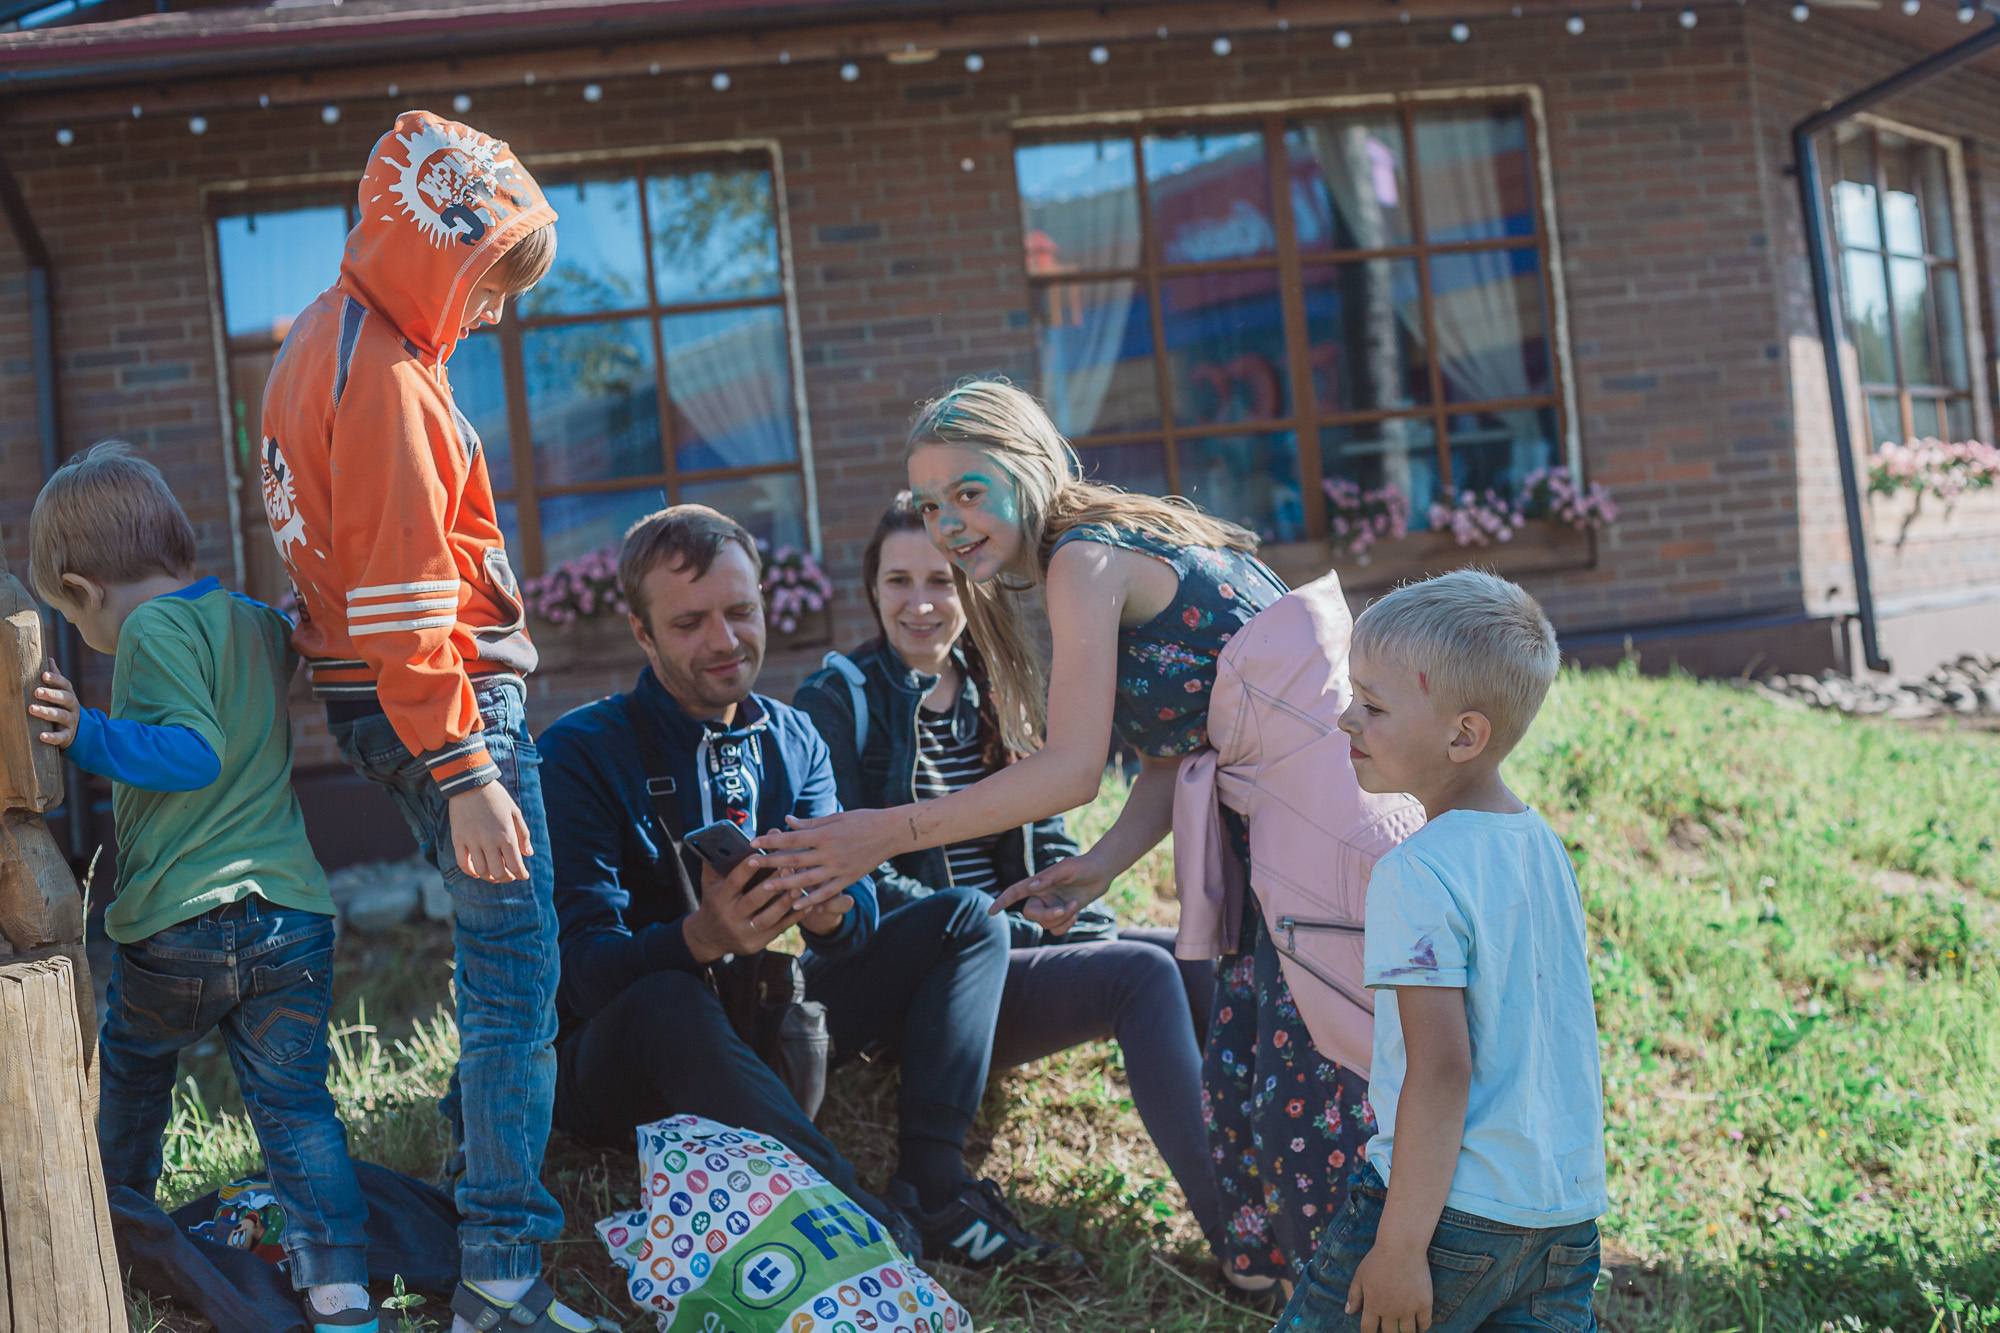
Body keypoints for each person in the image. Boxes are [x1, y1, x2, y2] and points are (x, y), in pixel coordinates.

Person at [757, 379, 1419, 1292]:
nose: (949, 525)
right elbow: (1186, 743)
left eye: (968, 494)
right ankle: (1280, 1281)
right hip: (1300, 850)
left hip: (1324, 852)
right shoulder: (1104, 551)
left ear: (1028, 464)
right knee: (1254, 1089)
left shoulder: (1082, 557)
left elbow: (1071, 769)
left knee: (1316, 1113)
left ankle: (1371, 1293)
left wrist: (879, 833)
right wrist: (1101, 865)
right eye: (929, 507)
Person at [540, 505, 1077, 1272]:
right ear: (641, 632)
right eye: (690, 622)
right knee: (670, 996)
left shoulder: (793, 738)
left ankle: (934, 1179)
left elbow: (854, 929)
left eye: (740, 611)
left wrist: (829, 911)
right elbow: (582, 974)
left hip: (752, 1024)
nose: (725, 641)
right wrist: (700, 940)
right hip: (617, 1068)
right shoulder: (578, 754)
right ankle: (851, 1209)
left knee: (964, 917)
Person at [256, 111, 593, 1333]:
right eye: (489, 278)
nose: (496, 311)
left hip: (368, 696)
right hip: (444, 703)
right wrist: (466, 768)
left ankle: (479, 1203)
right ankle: (501, 1273)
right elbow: (406, 589)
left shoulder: (318, 338)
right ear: (433, 245)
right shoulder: (393, 374)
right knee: (515, 976)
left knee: (493, 964)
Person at [791, 494, 1225, 1257]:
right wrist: (1005, 919)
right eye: (899, 581)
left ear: (972, 588)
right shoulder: (837, 702)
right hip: (923, 981)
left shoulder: (996, 683)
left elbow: (1045, 834)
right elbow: (854, 884)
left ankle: (1286, 1183)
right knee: (1140, 977)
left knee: (1195, 959)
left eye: (942, 579)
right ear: (873, 589)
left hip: (1013, 939)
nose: (921, 603)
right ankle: (1243, 1242)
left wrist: (1065, 905)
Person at [26, 443, 378, 1333]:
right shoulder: (251, 618)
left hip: (183, 922)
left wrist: (87, 733)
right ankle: (340, 1289)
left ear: (80, 590)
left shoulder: (147, 631)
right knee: (296, 1104)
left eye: (73, 614)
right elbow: (271, 675)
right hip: (292, 916)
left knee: (137, 1072)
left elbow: (192, 750)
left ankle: (113, 1224)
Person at [1278, 570, 1605, 1332]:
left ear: (1464, 734)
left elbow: (1442, 1068)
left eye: (1376, 705)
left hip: (1446, 1216)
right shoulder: (1542, 846)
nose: (1346, 720)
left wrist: (1397, 1248)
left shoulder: (1416, 873)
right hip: (1560, 1216)